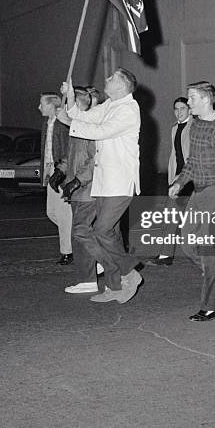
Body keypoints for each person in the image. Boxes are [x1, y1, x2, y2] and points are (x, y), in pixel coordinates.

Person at [61, 68, 142, 304]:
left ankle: (129, 271)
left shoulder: (129, 109)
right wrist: (70, 97)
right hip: (103, 181)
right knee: (112, 235)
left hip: (120, 181)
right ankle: (115, 287)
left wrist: (71, 122)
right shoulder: (110, 105)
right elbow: (84, 116)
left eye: (112, 78)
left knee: (101, 231)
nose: (106, 80)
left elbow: (102, 132)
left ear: (123, 85)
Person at [169, 81, 215, 322]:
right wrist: (180, 182)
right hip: (198, 193)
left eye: (191, 98)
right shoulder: (198, 125)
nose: (188, 103)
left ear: (206, 100)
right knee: (188, 244)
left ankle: (211, 306)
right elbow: (192, 161)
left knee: (209, 250)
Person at [58, 87, 99, 294]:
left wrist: (77, 180)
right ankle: (101, 264)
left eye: (67, 105)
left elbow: (95, 159)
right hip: (78, 190)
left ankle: (89, 278)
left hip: (88, 190)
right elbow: (73, 157)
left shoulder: (89, 127)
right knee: (84, 232)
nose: (63, 109)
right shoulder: (76, 129)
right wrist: (62, 171)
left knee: (81, 231)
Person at [147, 97, 193, 266]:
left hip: (191, 179)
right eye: (176, 109)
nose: (179, 112)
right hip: (177, 180)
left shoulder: (195, 126)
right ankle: (166, 255)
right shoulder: (175, 127)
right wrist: (172, 179)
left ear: (189, 109)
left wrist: (184, 177)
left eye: (182, 108)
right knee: (170, 216)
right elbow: (175, 155)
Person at [39, 92, 73, 265]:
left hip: (61, 170)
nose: (39, 107)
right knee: (51, 212)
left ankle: (67, 251)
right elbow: (46, 150)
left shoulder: (62, 123)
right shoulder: (47, 124)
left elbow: (69, 148)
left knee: (63, 213)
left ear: (52, 105)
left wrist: (62, 170)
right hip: (50, 168)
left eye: (42, 104)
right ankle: (76, 236)